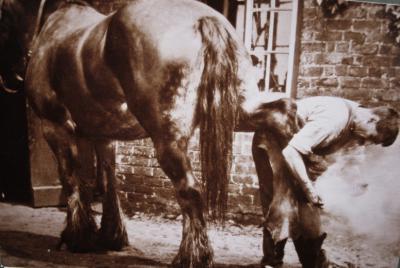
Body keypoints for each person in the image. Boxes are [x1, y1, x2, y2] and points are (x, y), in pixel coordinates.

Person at [251, 95, 399, 267]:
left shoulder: (359, 124)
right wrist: (309, 189)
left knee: (307, 207)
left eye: (371, 142)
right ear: (372, 119)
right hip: (273, 140)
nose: (365, 142)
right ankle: (272, 263)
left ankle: (313, 262)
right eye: (371, 138)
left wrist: (356, 182)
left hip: (295, 147)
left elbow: (352, 158)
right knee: (282, 201)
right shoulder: (334, 120)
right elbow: (291, 152)